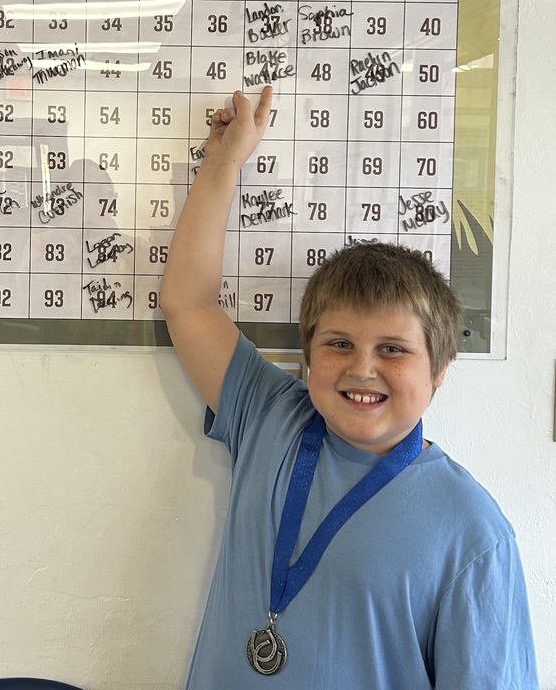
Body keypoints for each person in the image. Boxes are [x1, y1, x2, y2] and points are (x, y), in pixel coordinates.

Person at [159, 86, 538, 689]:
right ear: (307, 357)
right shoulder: (269, 418)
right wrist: (224, 162)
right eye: (339, 344)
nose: (362, 369)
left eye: (393, 350)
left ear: (439, 370)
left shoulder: (473, 535)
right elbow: (187, 302)